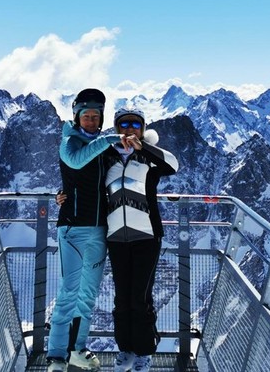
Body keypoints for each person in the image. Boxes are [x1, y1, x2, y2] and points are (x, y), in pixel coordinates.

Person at [46, 88, 123, 372]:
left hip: (99, 229)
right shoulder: (70, 141)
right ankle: (56, 357)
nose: (91, 121)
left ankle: (76, 349)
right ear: (76, 117)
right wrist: (111, 138)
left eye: (96, 116)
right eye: (86, 116)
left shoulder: (103, 147)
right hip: (73, 229)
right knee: (69, 292)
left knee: (88, 295)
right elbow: (75, 162)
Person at [103, 108, 179, 372]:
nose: (130, 128)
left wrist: (143, 147)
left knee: (140, 298)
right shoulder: (107, 157)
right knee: (122, 298)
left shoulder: (149, 158)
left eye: (136, 124)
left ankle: (144, 352)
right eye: (124, 124)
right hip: (116, 237)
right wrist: (62, 193)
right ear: (117, 128)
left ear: (143, 128)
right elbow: (85, 180)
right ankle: (125, 349)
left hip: (147, 236)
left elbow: (173, 165)